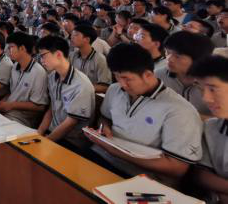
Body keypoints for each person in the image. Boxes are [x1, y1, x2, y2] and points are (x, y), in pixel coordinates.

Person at [86, 43, 202, 184]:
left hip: (139, 177)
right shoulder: (114, 90)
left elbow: (177, 168)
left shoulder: (180, 110)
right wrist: (104, 127)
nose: (122, 84)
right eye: (117, 76)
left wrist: (114, 151)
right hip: (100, 156)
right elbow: (105, 117)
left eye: (127, 78)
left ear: (147, 75)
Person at [36, 35, 95, 150]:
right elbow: (51, 109)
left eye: (43, 56)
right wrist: (39, 133)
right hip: (53, 132)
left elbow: (70, 123)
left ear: (58, 54)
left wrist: (46, 141)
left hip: (72, 141)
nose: (41, 61)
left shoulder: (81, 85)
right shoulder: (53, 76)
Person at [188, 56, 228, 203]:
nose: (205, 98)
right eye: (200, 88)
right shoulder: (211, 127)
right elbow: (201, 174)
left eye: (212, 89)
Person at [0, 32, 49, 128]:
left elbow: (40, 106)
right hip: (8, 111)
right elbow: (13, 92)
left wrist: (11, 105)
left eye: (11, 47)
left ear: (22, 48)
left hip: (23, 119)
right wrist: (3, 102)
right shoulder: (15, 67)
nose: (8, 50)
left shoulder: (38, 72)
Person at [155, 31, 214, 116]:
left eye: (177, 56)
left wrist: (188, 117)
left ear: (199, 59)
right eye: (168, 52)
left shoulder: (217, 82)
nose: (169, 59)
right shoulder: (158, 76)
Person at [69, 24, 111, 93]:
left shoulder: (100, 59)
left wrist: (81, 88)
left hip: (91, 96)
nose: (71, 38)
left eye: (76, 35)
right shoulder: (72, 56)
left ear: (87, 39)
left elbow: (105, 86)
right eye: (72, 35)